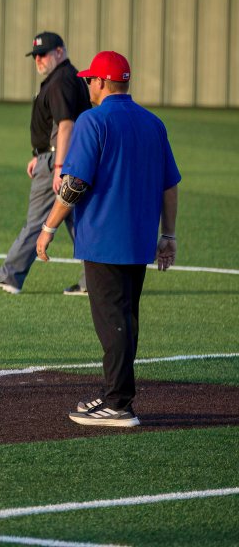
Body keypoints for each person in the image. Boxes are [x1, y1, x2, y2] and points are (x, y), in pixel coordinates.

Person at [37, 50, 180, 427]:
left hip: (103, 239)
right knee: (126, 320)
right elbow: (170, 185)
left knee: (112, 322)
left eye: (90, 80)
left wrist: (49, 227)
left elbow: (75, 183)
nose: (87, 85)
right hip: (139, 239)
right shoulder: (153, 123)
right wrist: (168, 234)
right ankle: (116, 394)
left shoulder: (93, 120)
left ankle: (118, 403)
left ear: (102, 82)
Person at [0, 32, 91, 295]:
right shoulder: (66, 77)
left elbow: (65, 125)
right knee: (77, 222)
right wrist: (39, 154)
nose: (38, 60)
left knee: (38, 220)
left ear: (59, 52)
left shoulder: (61, 80)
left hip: (58, 161)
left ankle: (10, 276)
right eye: (35, 56)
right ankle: (94, 281)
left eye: (43, 54)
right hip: (61, 157)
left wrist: (58, 166)